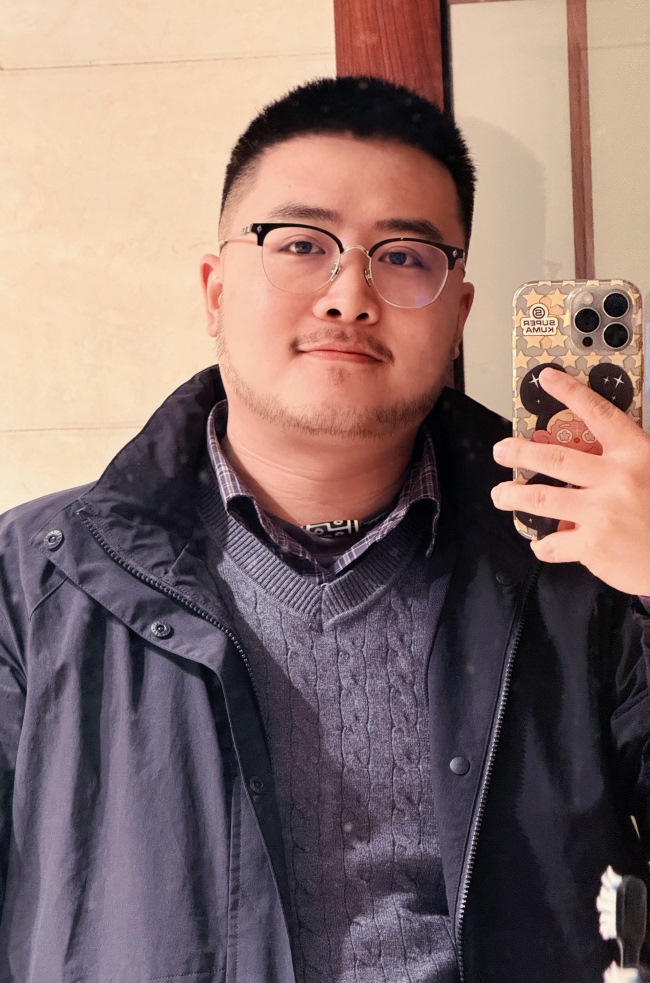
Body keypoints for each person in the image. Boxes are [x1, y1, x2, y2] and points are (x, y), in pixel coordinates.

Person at [0, 75, 649, 983]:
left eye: (405, 256)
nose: (350, 294)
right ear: (215, 290)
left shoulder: (577, 566)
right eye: (302, 244)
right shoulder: (37, 579)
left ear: (458, 314)